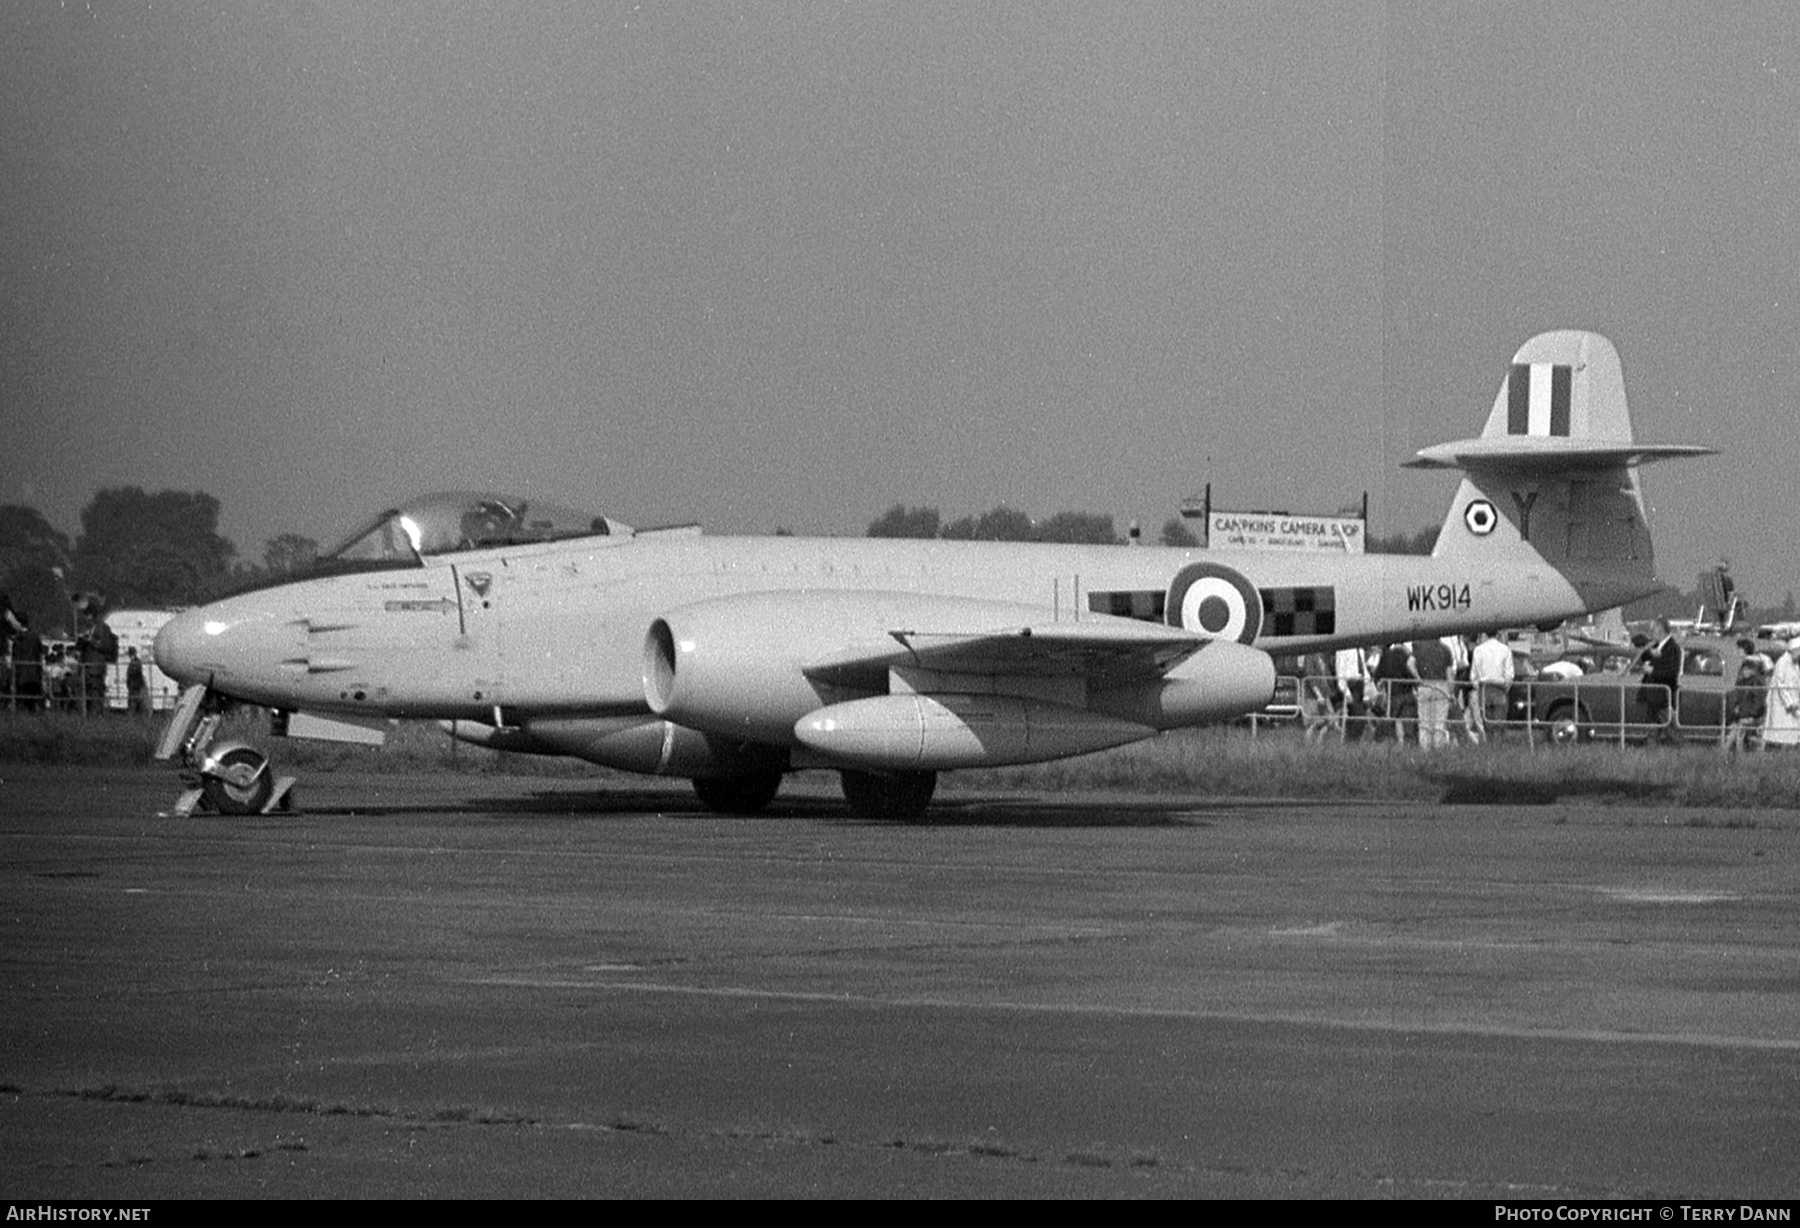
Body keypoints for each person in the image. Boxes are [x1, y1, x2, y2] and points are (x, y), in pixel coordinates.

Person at [1637, 618, 1683, 744]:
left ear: (1661, 630)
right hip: (1653, 695)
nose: (1651, 632)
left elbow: (1672, 672)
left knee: (1670, 727)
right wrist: (1649, 651)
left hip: (1663, 697)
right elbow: (1643, 654)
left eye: (1654, 629)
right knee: (1653, 727)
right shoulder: (1656, 646)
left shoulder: (1673, 648)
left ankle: (1681, 749)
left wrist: (1652, 671)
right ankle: (1652, 749)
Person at [1469, 629, 1515, 744]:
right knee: (1499, 723)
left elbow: (1473, 675)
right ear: (1498, 634)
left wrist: (1478, 687)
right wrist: (1506, 687)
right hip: (1500, 689)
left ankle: (1489, 746)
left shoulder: (1478, 650)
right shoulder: (1505, 650)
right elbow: (1509, 675)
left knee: (1486, 723)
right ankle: (1497, 747)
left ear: (1484, 634)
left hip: (1484, 689)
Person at [1411, 635, 1455, 750]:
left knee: (1424, 723)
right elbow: (1449, 674)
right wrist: (1451, 692)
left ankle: (1425, 750)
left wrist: (1418, 678)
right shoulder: (1445, 649)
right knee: (1439, 723)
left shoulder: (1418, 647)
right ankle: (1438, 749)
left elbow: (1410, 663)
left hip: (1424, 685)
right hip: (1441, 686)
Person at [1764, 637, 1800, 750]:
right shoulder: (1782, 662)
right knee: (1781, 732)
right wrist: (1789, 703)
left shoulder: (1795, 664)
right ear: (1794, 650)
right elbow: (1780, 685)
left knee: (1791, 732)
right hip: (1781, 704)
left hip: (1793, 701)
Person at [1334, 644, 1369, 742]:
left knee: (1360, 717)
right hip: (1351, 685)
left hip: (1361, 684)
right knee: (1358, 716)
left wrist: (1368, 684)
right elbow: (1340, 672)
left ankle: (1353, 742)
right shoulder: (1342, 650)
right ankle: (1350, 741)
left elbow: (1364, 668)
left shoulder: (1360, 650)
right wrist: (1346, 692)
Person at [10, 612, 43, 712]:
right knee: (32, 701)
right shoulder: (35, 636)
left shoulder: (18, 639)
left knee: (23, 701)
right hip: (34, 672)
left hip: (21, 673)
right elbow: (40, 652)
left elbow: (15, 657)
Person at [125, 648, 148, 716]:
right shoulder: (135, 662)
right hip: (134, 684)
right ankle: (134, 712)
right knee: (133, 699)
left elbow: (134, 673)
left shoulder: (135, 662)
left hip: (135, 683)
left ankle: (132, 713)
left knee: (134, 699)